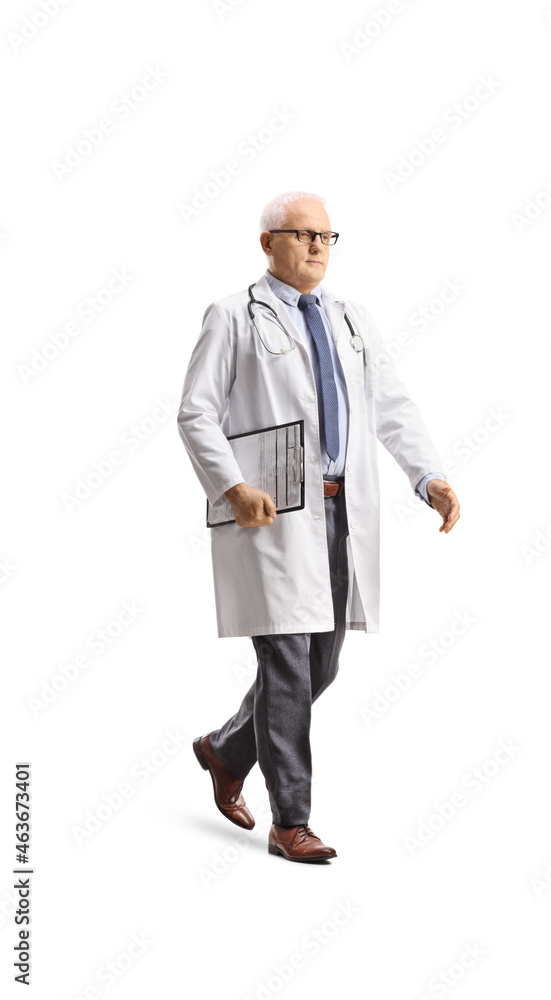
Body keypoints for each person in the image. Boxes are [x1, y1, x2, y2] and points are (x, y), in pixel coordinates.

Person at [177, 190, 460, 862]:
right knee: (286, 666)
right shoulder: (232, 316)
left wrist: (428, 476)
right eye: (302, 234)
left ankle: (225, 749)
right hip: (271, 515)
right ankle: (291, 822)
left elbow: (391, 405)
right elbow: (196, 412)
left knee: (320, 665)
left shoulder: (350, 318)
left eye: (326, 237)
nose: (316, 247)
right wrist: (233, 487)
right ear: (267, 242)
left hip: (342, 511)